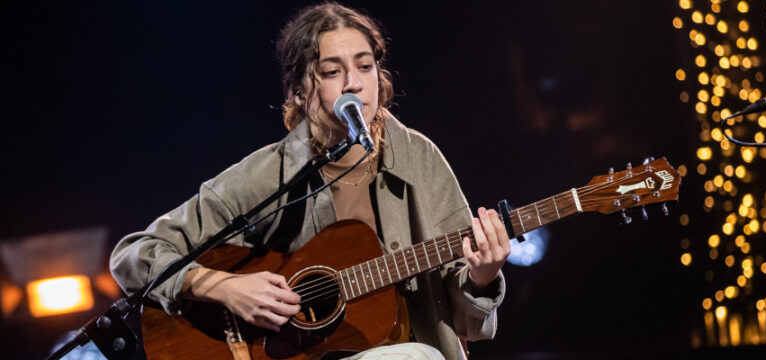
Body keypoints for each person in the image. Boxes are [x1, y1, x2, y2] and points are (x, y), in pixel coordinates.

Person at [110, 3, 510, 360]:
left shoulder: (419, 159)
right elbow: (134, 254)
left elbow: (463, 323)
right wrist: (220, 286)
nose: (353, 83)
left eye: (365, 66)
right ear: (300, 90)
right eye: (332, 71)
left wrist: (483, 277)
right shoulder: (272, 174)